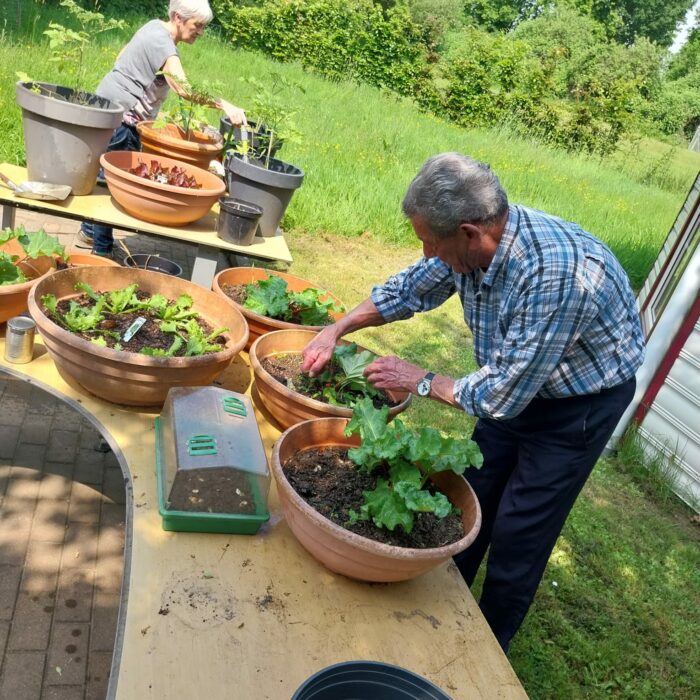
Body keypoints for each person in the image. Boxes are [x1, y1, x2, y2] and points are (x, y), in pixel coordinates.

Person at [302, 152, 645, 652]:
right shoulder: (469, 245)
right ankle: (439, 610)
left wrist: (419, 379)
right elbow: (408, 290)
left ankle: (484, 650)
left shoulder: (556, 275)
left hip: (577, 407)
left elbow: (501, 396)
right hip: (512, 382)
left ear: (468, 231)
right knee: (473, 499)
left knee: (520, 531)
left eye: (428, 242)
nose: (424, 254)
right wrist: (337, 327)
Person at [79, 0, 247, 257]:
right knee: (116, 186)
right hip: (123, 118)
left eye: (203, 27)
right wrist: (223, 104)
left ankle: (89, 234)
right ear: (178, 17)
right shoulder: (163, 43)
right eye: (197, 25)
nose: (200, 31)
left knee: (105, 177)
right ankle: (102, 253)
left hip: (109, 107)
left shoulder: (152, 27)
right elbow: (185, 89)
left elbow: (121, 56)